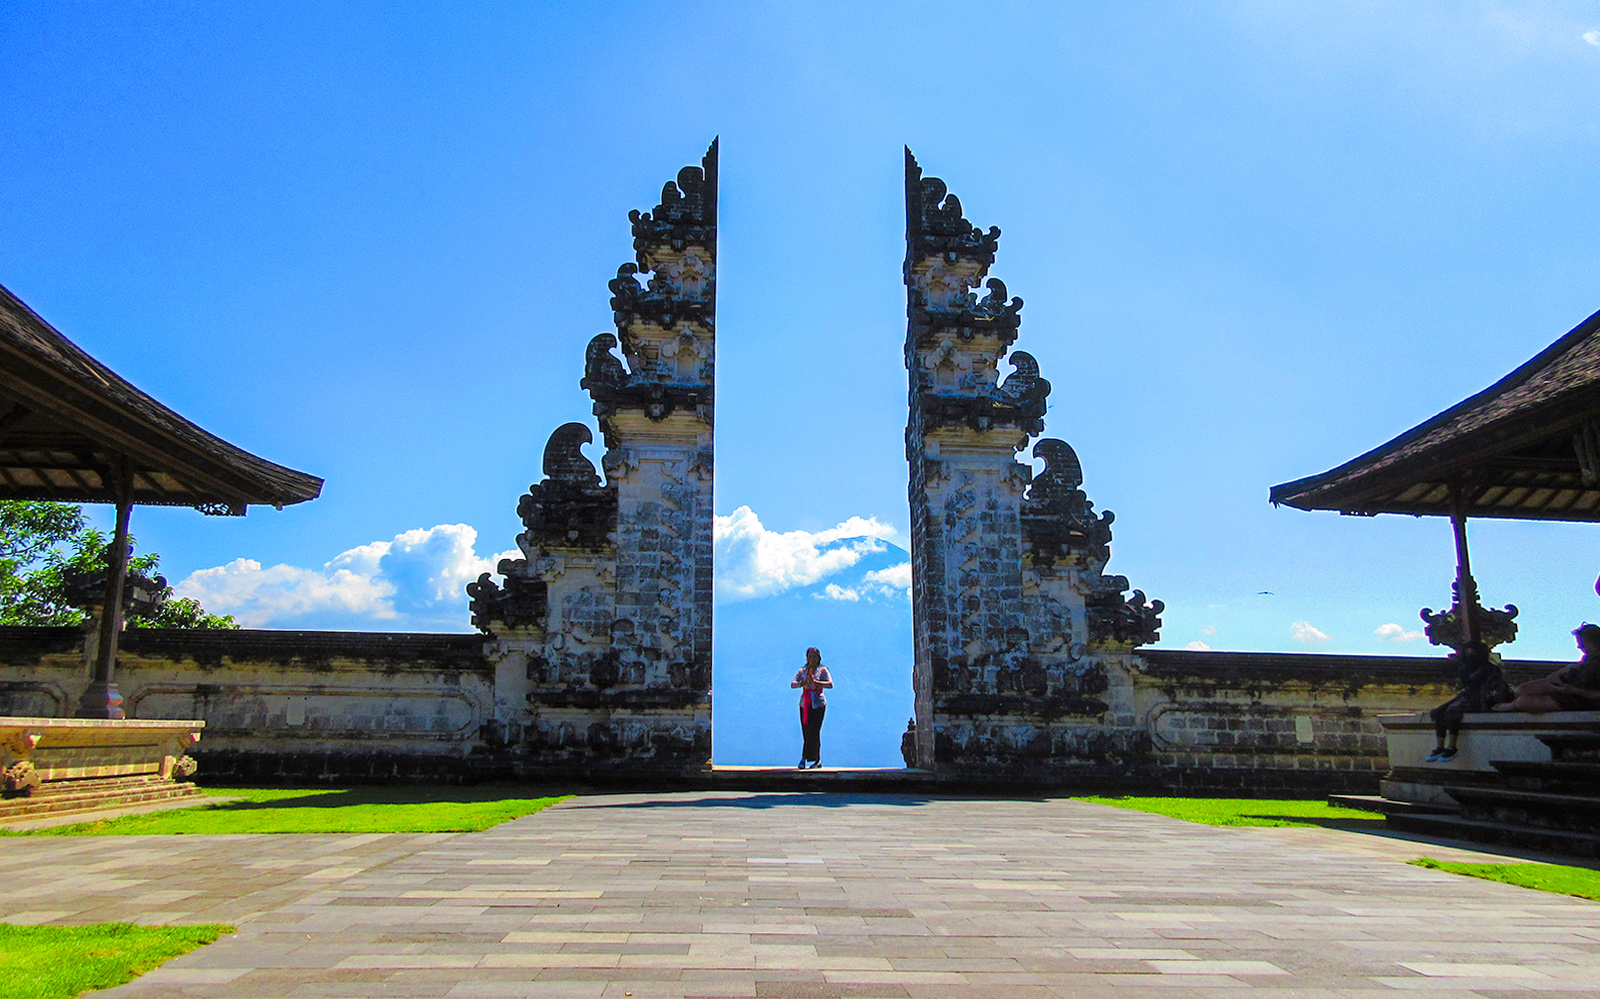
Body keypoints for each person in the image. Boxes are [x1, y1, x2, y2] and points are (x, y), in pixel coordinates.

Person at [1425, 641, 1511, 762]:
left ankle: (1452, 746)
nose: (1470, 655)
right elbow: (1466, 685)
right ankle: (1439, 746)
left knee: (1452, 711)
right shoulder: (1466, 668)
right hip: (1468, 695)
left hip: (1481, 699)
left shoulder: (1488, 669)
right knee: (1439, 712)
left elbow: (1483, 685)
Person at [1492, 623, 1600, 713]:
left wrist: (1573, 690)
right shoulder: (1589, 658)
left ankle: (1512, 706)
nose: (1579, 646)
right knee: (1522, 689)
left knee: (1522, 702)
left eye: (1582, 643)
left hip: (1579, 699)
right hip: (1566, 687)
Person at [791, 646, 832, 769]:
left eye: (814, 656)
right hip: (805, 704)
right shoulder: (803, 671)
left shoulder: (823, 671)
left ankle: (812, 759)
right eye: (810, 656)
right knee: (806, 730)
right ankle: (807, 758)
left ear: (818, 658)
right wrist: (802, 683)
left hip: (818, 704)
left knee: (814, 731)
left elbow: (830, 684)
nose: (812, 659)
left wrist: (816, 683)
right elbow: (793, 684)